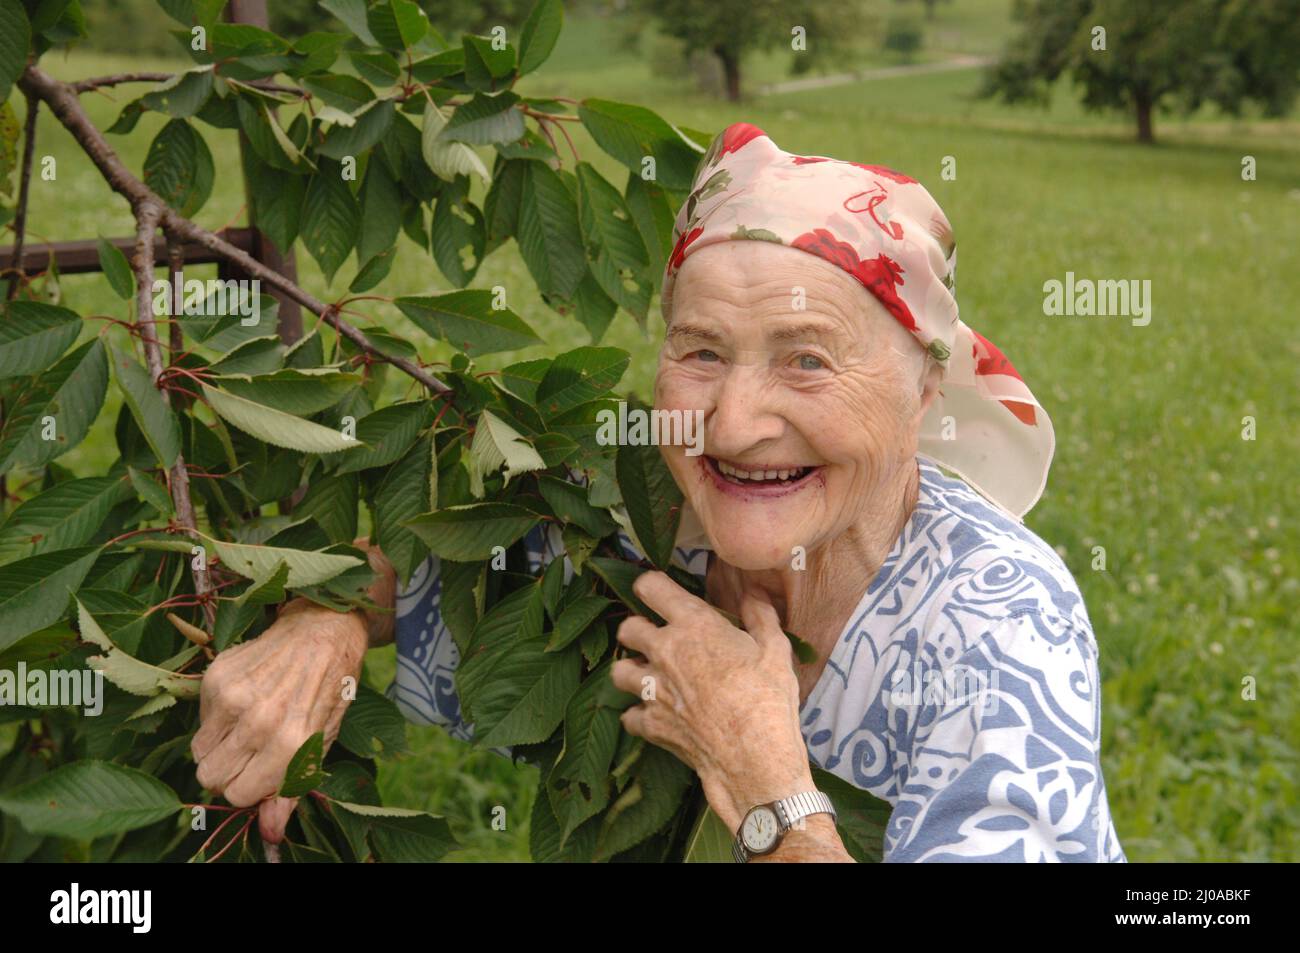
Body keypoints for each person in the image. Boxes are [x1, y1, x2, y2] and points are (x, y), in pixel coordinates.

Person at [193, 123, 1127, 862]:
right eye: (701, 352)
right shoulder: (642, 516)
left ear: (924, 388)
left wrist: (765, 784)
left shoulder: (1001, 624)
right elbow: (438, 570)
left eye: (807, 360)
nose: (729, 426)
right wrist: (327, 624)